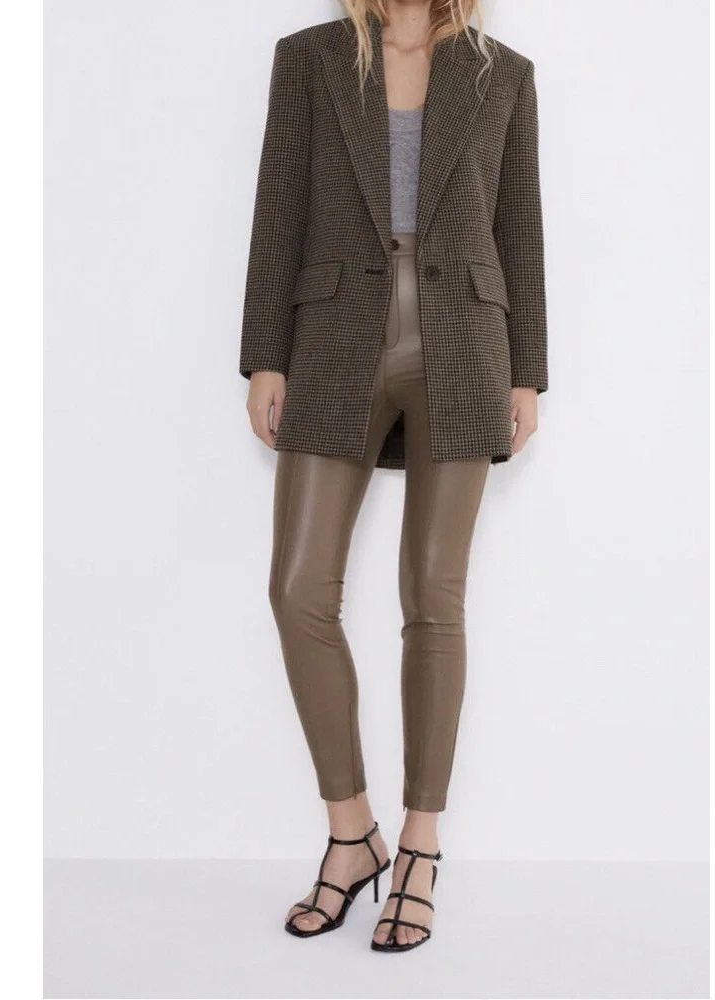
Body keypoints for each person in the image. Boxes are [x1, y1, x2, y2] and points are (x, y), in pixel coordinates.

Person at [239, 0, 546, 952]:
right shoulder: (311, 58)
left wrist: (528, 371)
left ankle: (419, 845)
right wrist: (265, 355)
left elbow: (520, 224)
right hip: (335, 338)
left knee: (434, 599)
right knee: (298, 589)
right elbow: (279, 208)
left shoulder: (503, 71)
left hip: (465, 340)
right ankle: (351, 834)